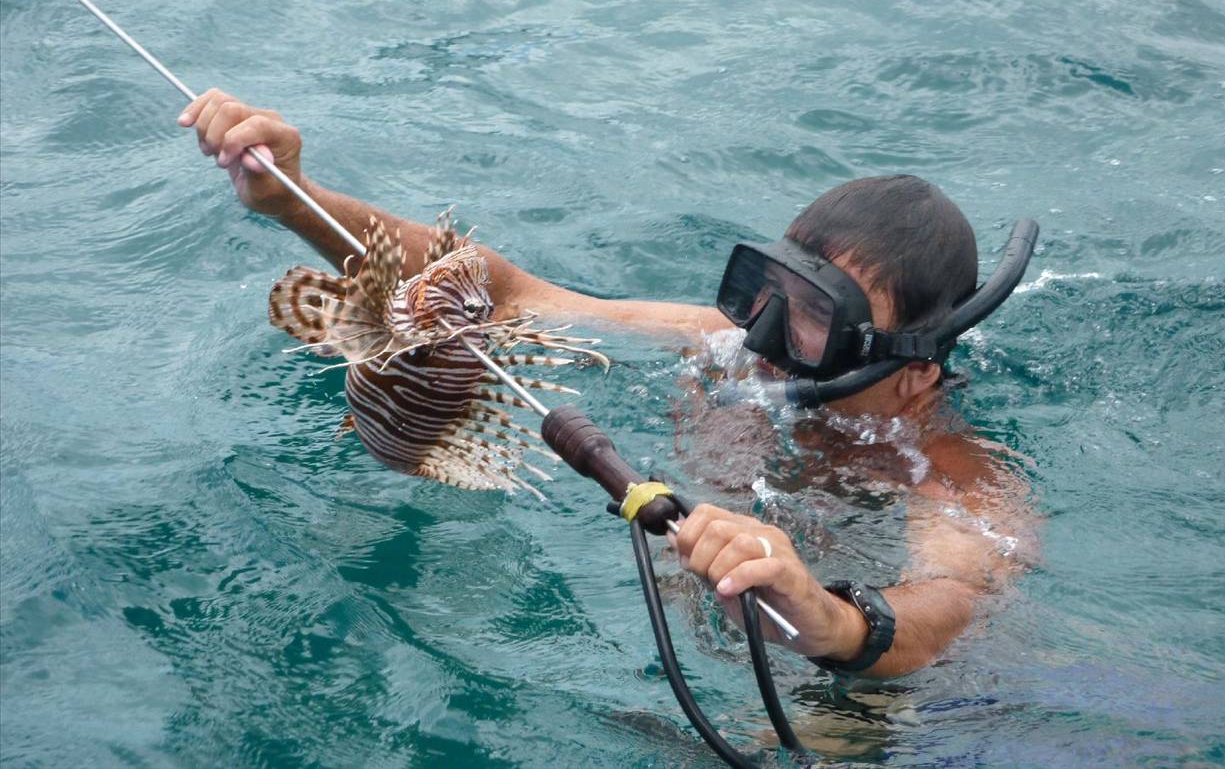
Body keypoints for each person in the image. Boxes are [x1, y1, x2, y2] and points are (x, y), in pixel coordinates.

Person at [180, 88, 1036, 680]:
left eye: (813, 318)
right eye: (764, 292)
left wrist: (826, 615)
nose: (764, 339)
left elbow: (955, 599)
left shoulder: (953, 471)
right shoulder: (722, 347)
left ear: (912, 368)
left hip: (906, 707)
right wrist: (295, 199)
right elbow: (505, 294)